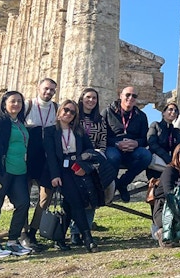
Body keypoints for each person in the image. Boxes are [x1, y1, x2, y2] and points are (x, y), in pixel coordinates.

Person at [0, 91, 32, 258]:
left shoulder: (20, 123)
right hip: (2, 171)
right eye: (13, 101)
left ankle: (12, 241)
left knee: (23, 203)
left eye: (19, 101)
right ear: (4, 104)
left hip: (19, 171)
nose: (16, 104)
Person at [44, 99, 99, 252]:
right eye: (66, 110)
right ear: (59, 111)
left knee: (70, 204)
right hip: (61, 171)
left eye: (72, 112)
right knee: (76, 201)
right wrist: (55, 175)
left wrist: (83, 166)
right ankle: (88, 238)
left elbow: (89, 150)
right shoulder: (50, 131)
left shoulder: (79, 130)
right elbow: (50, 155)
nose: (68, 114)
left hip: (77, 168)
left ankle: (59, 238)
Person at [22, 78, 59, 251]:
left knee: (45, 198)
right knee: (24, 198)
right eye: (46, 88)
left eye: (52, 90)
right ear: (38, 88)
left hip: (47, 161)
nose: (49, 92)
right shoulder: (27, 106)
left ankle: (33, 232)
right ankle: (23, 233)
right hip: (28, 159)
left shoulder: (57, 108)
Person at [69, 88, 109, 245]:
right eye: (88, 97)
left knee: (92, 195)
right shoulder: (74, 117)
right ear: (82, 99)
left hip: (92, 161)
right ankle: (74, 231)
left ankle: (84, 230)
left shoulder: (100, 119)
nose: (91, 100)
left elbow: (103, 141)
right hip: (75, 160)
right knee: (77, 196)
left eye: (94, 98)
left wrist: (98, 156)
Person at [105, 86, 152, 202]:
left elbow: (145, 139)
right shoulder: (107, 112)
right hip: (113, 147)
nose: (130, 98)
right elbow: (102, 136)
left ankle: (123, 183)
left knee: (146, 156)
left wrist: (136, 143)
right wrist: (117, 143)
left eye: (134, 96)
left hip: (132, 150)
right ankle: (112, 185)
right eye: (127, 95)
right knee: (113, 156)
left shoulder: (141, 116)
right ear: (120, 96)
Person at [147, 102, 180, 179]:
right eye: (170, 109)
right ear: (163, 113)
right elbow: (152, 143)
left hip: (171, 164)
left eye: (176, 111)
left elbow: (179, 148)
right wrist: (167, 159)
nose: (173, 112)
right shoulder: (155, 125)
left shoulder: (177, 131)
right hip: (156, 163)